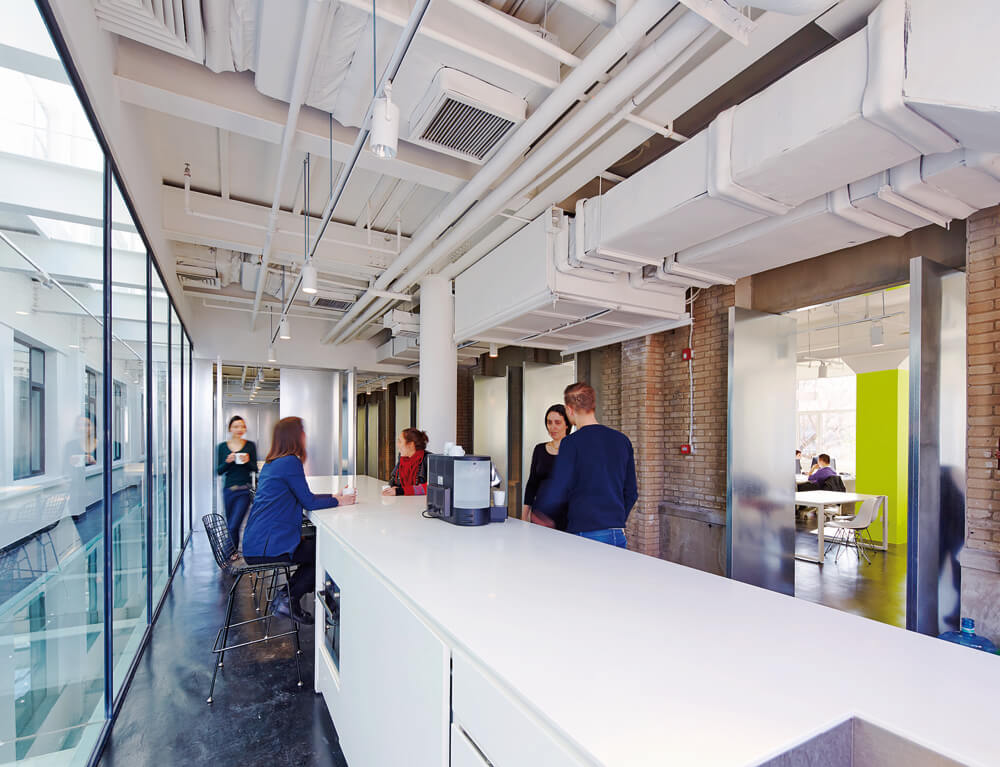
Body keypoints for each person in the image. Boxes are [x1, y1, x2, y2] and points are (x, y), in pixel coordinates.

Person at [242, 417, 355, 624]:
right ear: (295, 436)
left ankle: (288, 598)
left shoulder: (273, 463)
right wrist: (339, 501)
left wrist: (335, 496)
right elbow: (309, 502)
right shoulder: (290, 462)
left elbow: (304, 496)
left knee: (317, 548)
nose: (305, 436)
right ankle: (291, 598)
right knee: (324, 551)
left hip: (257, 542)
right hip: (269, 546)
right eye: (302, 432)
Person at [532, 383, 637, 548]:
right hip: (617, 534)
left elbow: (559, 488)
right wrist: (614, 519)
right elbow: (631, 492)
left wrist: (541, 512)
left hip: (585, 534)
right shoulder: (622, 440)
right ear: (592, 405)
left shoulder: (571, 443)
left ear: (569, 409)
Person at [523, 404, 571, 530]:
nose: (552, 427)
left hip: (567, 516)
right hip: (540, 515)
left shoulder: (574, 450)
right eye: (549, 422)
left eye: (557, 423)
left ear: (567, 425)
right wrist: (524, 516)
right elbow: (532, 483)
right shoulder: (539, 449)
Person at [216, 415, 258, 548]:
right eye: (236, 426)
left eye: (242, 426)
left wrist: (247, 462)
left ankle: (227, 553)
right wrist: (228, 462)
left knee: (234, 525)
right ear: (230, 429)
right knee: (231, 525)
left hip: (244, 491)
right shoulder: (222, 447)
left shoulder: (250, 446)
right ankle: (232, 553)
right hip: (228, 490)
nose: (240, 429)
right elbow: (219, 471)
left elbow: (254, 469)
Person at [383, 428, 430, 496]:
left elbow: (431, 487)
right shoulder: (403, 460)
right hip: (405, 500)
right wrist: (394, 487)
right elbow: (393, 481)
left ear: (411, 444)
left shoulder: (429, 460)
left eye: (400, 441)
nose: (397, 445)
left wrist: (401, 491)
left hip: (421, 502)